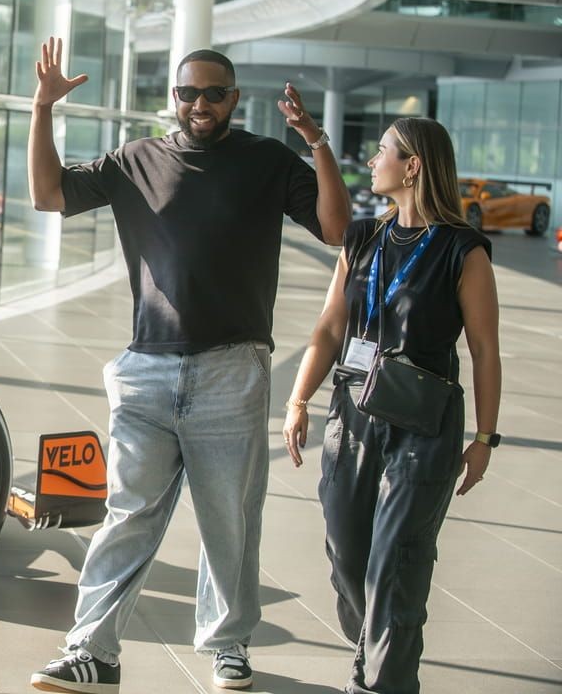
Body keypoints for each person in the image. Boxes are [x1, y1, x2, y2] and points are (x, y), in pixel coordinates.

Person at [27, 37, 351, 694]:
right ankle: (93, 653)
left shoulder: (266, 160)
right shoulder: (136, 160)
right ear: (172, 97)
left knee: (229, 521)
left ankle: (228, 647)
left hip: (232, 370)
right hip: (145, 370)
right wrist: (42, 109)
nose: (199, 104)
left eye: (213, 93)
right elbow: (48, 195)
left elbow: (337, 229)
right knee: (127, 516)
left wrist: (316, 144)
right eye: (187, 92)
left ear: (234, 98)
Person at [281, 117, 501, 693]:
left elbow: (484, 349)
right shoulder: (362, 239)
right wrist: (298, 397)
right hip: (352, 414)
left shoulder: (462, 250)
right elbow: (331, 327)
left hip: (423, 426)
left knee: (397, 563)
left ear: (413, 166)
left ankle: (381, 683)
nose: (373, 161)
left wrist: (485, 438)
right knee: (347, 553)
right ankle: (375, 655)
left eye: (382, 152)